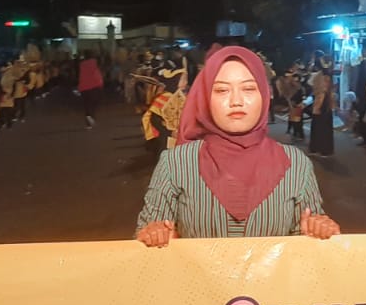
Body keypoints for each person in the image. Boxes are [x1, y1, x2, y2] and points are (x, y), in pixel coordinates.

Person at [135, 45, 339, 244]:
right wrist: (153, 233)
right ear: (205, 98)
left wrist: (317, 229)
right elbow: (149, 229)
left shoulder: (295, 164)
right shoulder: (176, 163)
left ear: (264, 94)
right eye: (222, 90)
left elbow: (307, 231)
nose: (236, 101)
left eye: (248, 88)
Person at [307, 56, 335, 158]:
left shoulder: (320, 75)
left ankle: (318, 148)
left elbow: (316, 88)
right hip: (326, 103)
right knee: (325, 127)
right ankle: (324, 149)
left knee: (318, 126)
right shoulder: (328, 75)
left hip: (321, 102)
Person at [77, 50, 104, 128]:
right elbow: (102, 59)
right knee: (95, 102)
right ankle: (91, 116)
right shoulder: (95, 62)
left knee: (87, 104)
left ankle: (88, 119)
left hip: (83, 87)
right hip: (95, 85)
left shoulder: (81, 64)